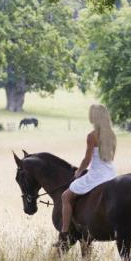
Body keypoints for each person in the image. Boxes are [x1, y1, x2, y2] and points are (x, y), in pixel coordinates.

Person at [54, 104, 117, 248]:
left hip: (97, 174)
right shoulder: (112, 134)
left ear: (93, 117)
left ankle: (64, 234)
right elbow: (112, 156)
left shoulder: (92, 136)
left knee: (65, 196)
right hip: (111, 173)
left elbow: (87, 159)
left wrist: (79, 172)